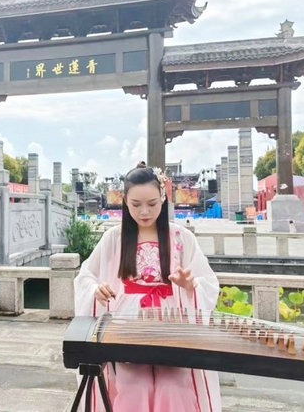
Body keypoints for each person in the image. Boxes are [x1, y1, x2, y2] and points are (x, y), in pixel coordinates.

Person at [74, 165, 221, 411]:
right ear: (124, 201)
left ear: (163, 198)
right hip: (128, 323)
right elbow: (86, 276)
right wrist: (96, 290)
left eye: (152, 204)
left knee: (173, 386)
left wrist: (190, 286)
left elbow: (207, 282)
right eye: (136, 204)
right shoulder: (114, 238)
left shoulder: (181, 237)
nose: (144, 212)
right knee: (135, 387)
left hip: (171, 323)